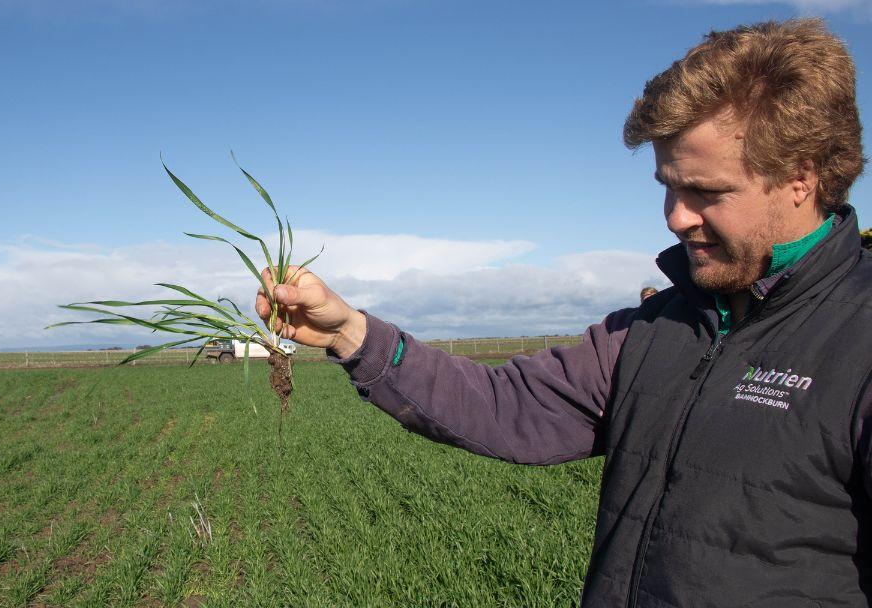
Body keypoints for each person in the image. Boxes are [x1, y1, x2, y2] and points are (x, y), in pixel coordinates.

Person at [256, 19, 869, 606]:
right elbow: (505, 405)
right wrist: (350, 333)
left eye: (705, 192)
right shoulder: (657, 330)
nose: (675, 216)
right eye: (666, 186)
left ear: (800, 178)